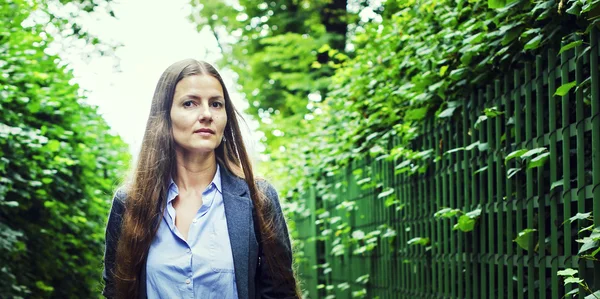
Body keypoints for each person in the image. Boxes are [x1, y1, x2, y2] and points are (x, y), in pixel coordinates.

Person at [102, 59, 300, 299]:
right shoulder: (130, 202)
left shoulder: (257, 198)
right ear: (164, 116)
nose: (206, 114)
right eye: (190, 103)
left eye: (216, 104)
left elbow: (280, 293)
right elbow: (117, 291)